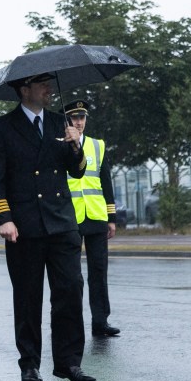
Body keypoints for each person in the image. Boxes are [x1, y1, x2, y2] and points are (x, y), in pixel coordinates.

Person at [0, 73, 96, 381]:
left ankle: (69, 363)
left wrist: (77, 147)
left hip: (61, 222)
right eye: (42, 84)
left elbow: (76, 173)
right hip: (24, 225)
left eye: (50, 84)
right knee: (28, 297)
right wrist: (3, 218)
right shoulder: (2, 127)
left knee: (70, 292)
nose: (49, 89)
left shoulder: (61, 123)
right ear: (25, 90)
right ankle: (30, 364)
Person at [63, 100, 120, 337]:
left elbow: (105, 181)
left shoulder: (98, 145)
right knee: (71, 276)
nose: (79, 122)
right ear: (66, 121)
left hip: (96, 215)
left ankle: (100, 321)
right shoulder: (60, 145)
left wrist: (111, 216)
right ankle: (72, 322)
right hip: (70, 217)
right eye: (74, 118)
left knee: (99, 271)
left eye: (82, 117)